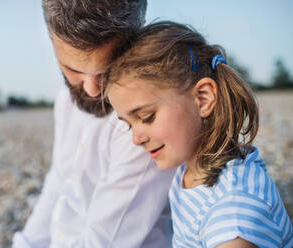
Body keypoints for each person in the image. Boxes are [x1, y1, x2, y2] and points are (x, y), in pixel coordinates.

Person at [105, 21, 293, 247]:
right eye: (128, 124)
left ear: (203, 98)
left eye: (147, 117)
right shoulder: (192, 169)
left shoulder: (232, 214)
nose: (136, 139)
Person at [12, 1, 175, 247]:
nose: (91, 90)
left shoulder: (143, 124)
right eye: (72, 69)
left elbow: (105, 240)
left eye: (106, 71)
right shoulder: (65, 100)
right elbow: (58, 180)